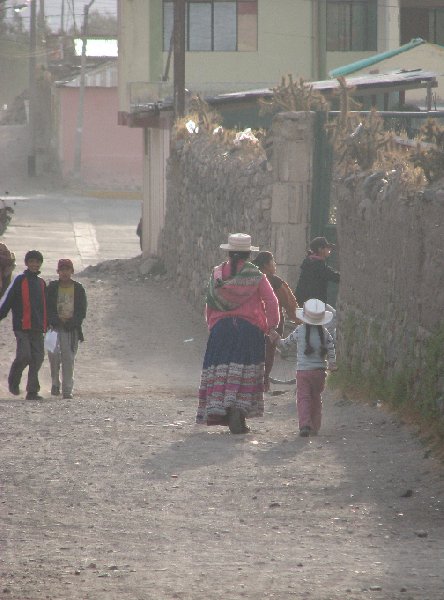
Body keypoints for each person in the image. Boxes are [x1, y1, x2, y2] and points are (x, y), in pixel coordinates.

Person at [196, 233, 280, 434]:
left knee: (222, 371)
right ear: (248, 254)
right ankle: (238, 414)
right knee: (245, 371)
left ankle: (222, 410)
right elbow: (271, 301)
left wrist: (213, 325)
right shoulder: (256, 275)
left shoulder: (217, 275)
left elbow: (210, 302)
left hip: (221, 330)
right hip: (249, 330)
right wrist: (272, 326)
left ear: (229, 252)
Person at [269, 298, 337, 437]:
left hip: (303, 372)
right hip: (319, 373)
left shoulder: (299, 331)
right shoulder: (325, 333)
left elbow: (284, 345)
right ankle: (315, 426)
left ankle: (305, 424)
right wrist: (332, 362)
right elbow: (331, 348)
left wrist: (276, 339)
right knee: (316, 398)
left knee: (303, 398)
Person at [0, 250, 47, 400]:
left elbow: (46, 306)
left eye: (37, 262)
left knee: (38, 358)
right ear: (26, 263)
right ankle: (14, 381)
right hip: (22, 326)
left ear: (40, 264)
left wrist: (49, 323)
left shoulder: (41, 283)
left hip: (38, 327)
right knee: (24, 355)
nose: (34, 264)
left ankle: (32, 391)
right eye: (31, 261)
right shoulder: (20, 280)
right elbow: (7, 300)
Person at [252, 251, 300, 391]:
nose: (275, 265)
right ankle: (264, 382)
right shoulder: (274, 281)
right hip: (271, 322)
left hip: (252, 320)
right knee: (268, 353)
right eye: (273, 262)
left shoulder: (249, 278)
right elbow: (289, 302)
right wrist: (297, 318)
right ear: (266, 264)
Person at [46, 259, 87, 400]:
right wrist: (56, 321)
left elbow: (81, 310)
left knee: (68, 358)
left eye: (67, 269)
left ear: (72, 271)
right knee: (53, 355)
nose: (65, 272)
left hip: (71, 329)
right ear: (58, 272)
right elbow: (47, 307)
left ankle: (67, 389)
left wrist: (72, 323)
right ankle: (55, 383)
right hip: (53, 328)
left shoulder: (78, 288)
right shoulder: (52, 287)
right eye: (62, 269)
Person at [294, 236, 340, 341]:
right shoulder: (316, 265)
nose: (329, 250)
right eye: (327, 248)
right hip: (314, 302)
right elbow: (332, 276)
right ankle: (324, 343)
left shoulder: (311, 262)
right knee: (333, 318)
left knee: (314, 325)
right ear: (320, 249)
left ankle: (324, 343)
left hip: (306, 301)